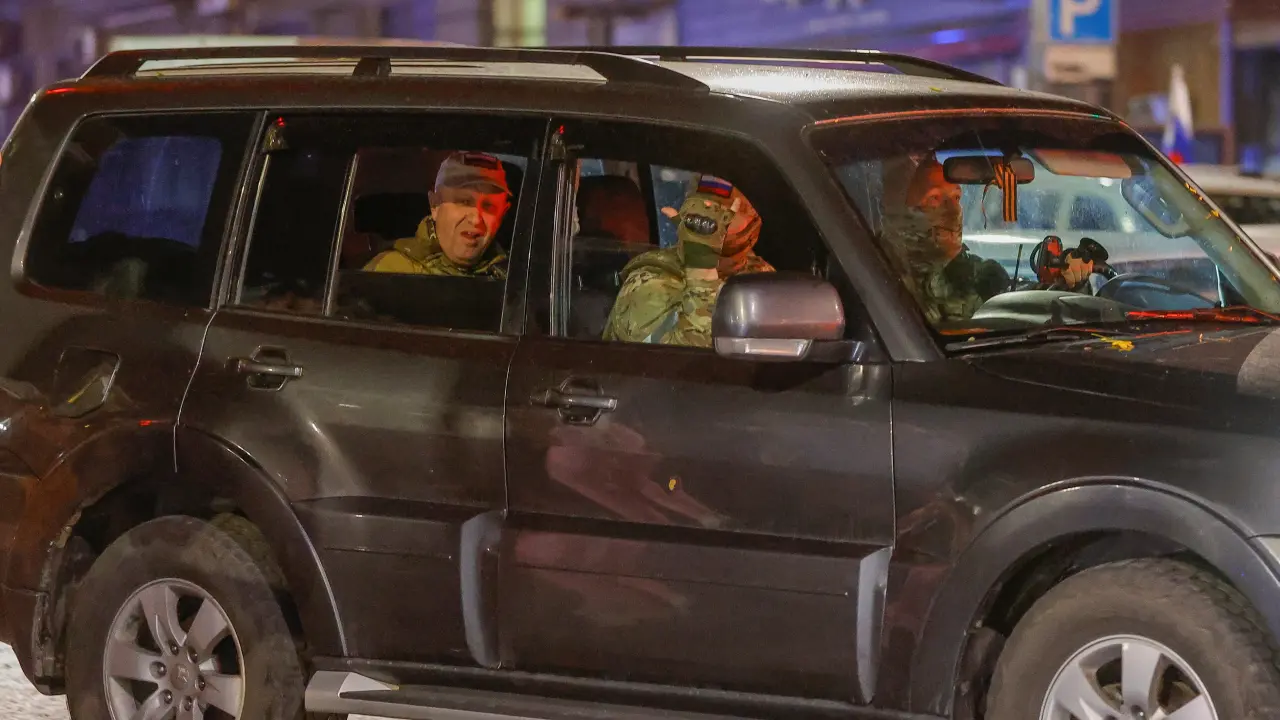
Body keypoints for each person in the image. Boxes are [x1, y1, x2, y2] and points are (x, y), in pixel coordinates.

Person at [602, 175, 774, 347]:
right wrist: (701, 269)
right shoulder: (651, 283)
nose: (712, 220)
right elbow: (676, 360)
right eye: (701, 211)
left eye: (725, 213)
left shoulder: (758, 273)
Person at [881, 155, 1010, 324]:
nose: (955, 210)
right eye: (934, 198)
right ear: (898, 210)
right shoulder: (879, 276)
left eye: (956, 197)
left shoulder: (978, 276)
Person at [364, 151, 512, 279]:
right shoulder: (390, 271)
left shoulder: (514, 277)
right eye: (464, 201)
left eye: (489, 206)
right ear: (434, 205)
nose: (475, 219)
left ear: (503, 214)